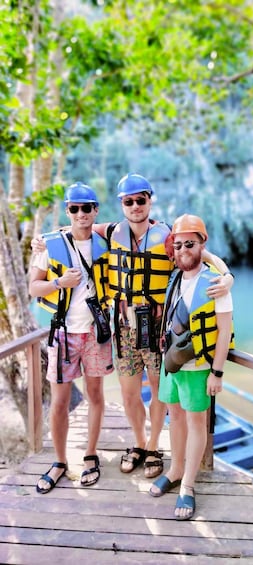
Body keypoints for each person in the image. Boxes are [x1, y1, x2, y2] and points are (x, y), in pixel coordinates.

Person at [88, 173, 234, 479]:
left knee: (159, 392)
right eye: (129, 201)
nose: (136, 206)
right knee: (129, 394)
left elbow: (201, 255)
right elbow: (78, 228)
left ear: (150, 200)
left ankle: (155, 446)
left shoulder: (169, 236)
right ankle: (139, 443)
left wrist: (227, 274)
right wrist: (42, 242)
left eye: (141, 199)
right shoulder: (112, 231)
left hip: (156, 326)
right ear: (122, 205)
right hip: (124, 325)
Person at [29, 182, 113, 493]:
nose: (81, 213)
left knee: (95, 396)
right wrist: (59, 283)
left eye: (87, 208)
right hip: (63, 332)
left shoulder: (105, 243)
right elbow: (33, 288)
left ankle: (90, 455)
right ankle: (60, 461)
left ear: (95, 210)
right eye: (74, 208)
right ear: (68, 211)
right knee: (60, 402)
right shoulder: (50, 246)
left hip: (96, 333)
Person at [149, 214, 234, 520]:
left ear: (202, 245)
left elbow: (224, 331)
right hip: (172, 361)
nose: (184, 249)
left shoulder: (215, 283)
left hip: (198, 366)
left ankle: (188, 484)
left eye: (191, 243)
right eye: (179, 243)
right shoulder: (176, 276)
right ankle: (174, 469)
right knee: (175, 417)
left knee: (197, 423)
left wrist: (217, 372)